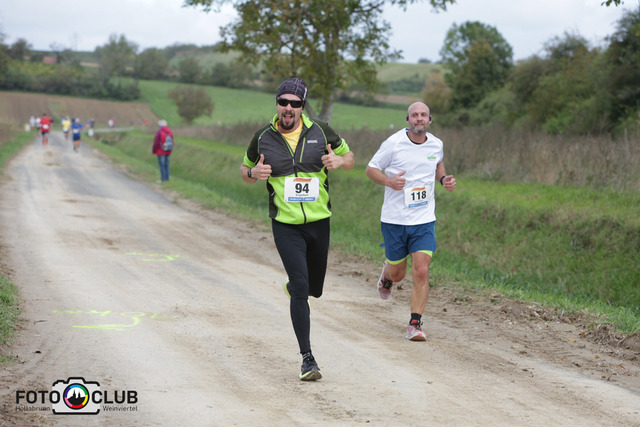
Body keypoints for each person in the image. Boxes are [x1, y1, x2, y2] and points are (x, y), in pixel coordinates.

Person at [241, 77, 354, 381]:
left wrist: (339, 161)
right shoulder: (262, 137)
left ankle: (295, 287)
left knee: (313, 289)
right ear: (277, 104)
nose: (288, 108)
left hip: (319, 222)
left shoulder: (321, 131)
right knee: (302, 287)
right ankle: (308, 358)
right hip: (285, 225)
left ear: (303, 106)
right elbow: (244, 169)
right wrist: (253, 173)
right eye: (283, 102)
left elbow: (350, 158)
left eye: (295, 103)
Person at [365, 102, 456, 341]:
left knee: (422, 270)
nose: (419, 118)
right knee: (398, 274)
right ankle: (387, 275)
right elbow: (371, 169)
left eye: (423, 115)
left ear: (430, 119)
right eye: (414, 115)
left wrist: (444, 179)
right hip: (394, 219)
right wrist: (389, 181)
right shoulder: (393, 143)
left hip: (424, 219)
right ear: (407, 120)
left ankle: (415, 324)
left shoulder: (436, 144)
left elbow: (437, 163)